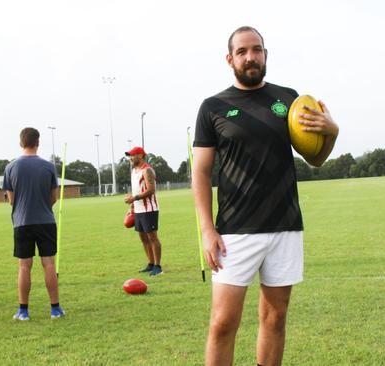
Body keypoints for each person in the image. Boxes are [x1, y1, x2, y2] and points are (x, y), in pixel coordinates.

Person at [192, 26, 339, 366]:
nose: (250, 56)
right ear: (230, 59)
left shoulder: (289, 99)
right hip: (234, 231)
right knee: (222, 323)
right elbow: (200, 172)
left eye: (256, 49)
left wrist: (332, 133)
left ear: (265, 54)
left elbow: (316, 158)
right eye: (242, 51)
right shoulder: (213, 107)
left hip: (284, 226)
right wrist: (206, 230)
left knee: (275, 318)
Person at [3, 127, 65, 320]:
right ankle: (55, 309)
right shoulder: (48, 167)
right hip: (46, 221)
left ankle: (23, 311)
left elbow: (11, 199)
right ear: (38, 142)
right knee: (49, 264)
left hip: (22, 222)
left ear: (21, 143)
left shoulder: (11, 167)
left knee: (24, 266)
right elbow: (53, 197)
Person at [123, 147, 163, 277]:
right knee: (143, 238)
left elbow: (151, 190)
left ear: (140, 155)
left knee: (152, 238)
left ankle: (158, 266)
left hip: (149, 209)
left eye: (132, 155)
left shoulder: (147, 170)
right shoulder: (134, 171)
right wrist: (133, 207)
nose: (130, 158)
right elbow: (136, 190)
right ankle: (150, 263)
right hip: (138, 209)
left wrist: (134, 198)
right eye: (129, 156)